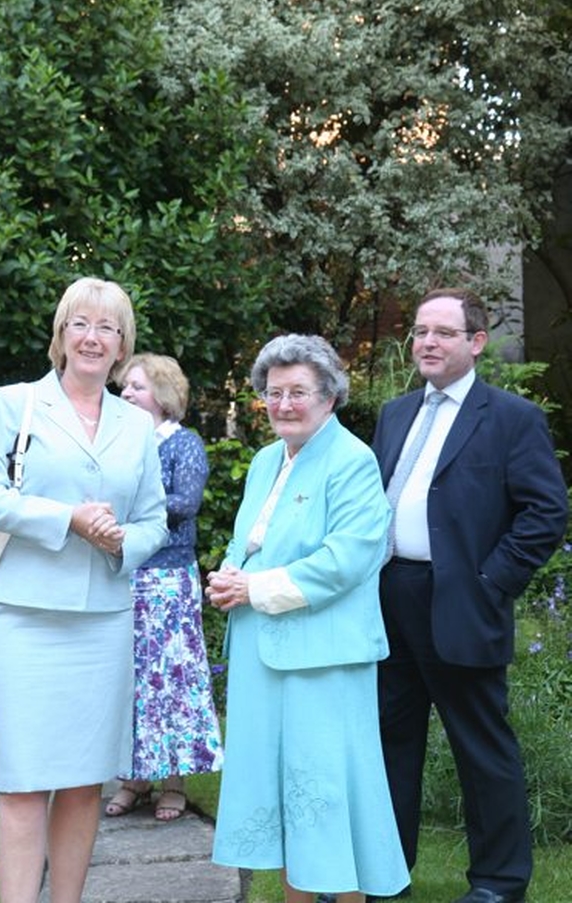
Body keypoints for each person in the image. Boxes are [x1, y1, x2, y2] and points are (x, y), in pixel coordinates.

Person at [0, 277, 168, 903]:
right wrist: (68, 520)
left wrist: (118, 542)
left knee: (83, 784)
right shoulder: (14, 403)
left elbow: (155, 518)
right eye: (81, 323)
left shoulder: (136, 423)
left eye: (107, 327)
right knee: (23, 784)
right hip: (22, 619)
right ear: (61, 334)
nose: (93, 337)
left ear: (122, 343)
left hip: (102, 622)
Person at [371, 287, 569, 903]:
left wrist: (491, 582)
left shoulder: (511, 418)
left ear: (476, 342)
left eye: (443, 333)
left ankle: (498, 883)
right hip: (388, 597)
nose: (426, 343)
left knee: (482, 748)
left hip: (463, 601)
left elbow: (545, 512)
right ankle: (386, 873)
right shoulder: (395, 413)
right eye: (421, 332)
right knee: (387, 744)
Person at [206, 334, 410, 903]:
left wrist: (256, 587)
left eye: (298, 392)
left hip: (326, 658)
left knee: (328, 797)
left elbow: (347, 559)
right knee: (279, 798)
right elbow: (250, 542)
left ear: (330, 396)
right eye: (274, 393)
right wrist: (229, 576)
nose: (284, 404)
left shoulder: (353, 461)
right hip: (262, 653)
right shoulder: (266, 459)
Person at [104, 353, 223, 822]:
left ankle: (173, 781)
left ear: (164, 394)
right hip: (125, 574)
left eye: (136, 386)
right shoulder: (118, 443)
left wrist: (124, 509)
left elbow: (186, 502)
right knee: (130, 680)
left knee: (171, 679)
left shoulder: (183, 443)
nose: (126, 394)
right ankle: (133, 778)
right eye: (124, 387)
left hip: (168, 580)